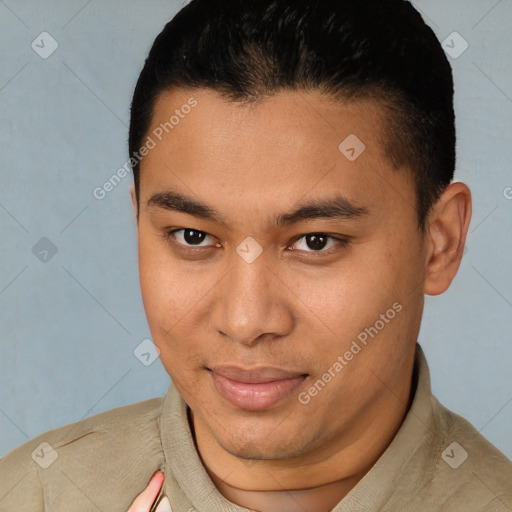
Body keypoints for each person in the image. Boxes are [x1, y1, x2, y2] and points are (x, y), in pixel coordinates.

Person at [1, 0, 511, 511]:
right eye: (192, 237)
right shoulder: (33, 495)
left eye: (315, 241)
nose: (246, 321)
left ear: (439, 242)